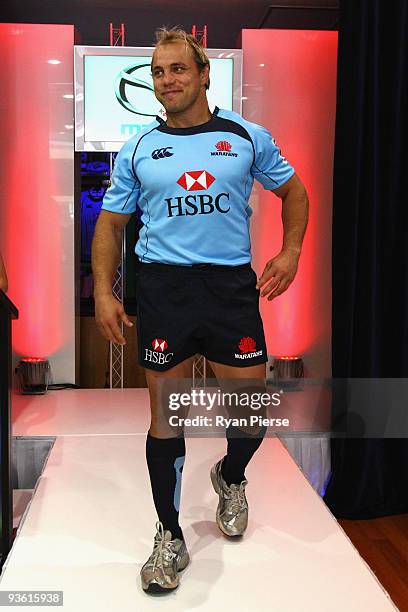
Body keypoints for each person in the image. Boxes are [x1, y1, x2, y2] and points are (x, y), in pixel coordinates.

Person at [92, 27, 308, 594]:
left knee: (250, 415)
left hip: (230, 290)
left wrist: (289, 250)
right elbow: (111, 224)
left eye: (177, 70)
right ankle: (169, 536)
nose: (167, 81)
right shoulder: (139, 148)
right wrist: (105, 292)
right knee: (168, 418)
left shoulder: (245, 136)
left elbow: (295, 192)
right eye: (158, 72)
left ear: (204, 74)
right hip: (164, 291)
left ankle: (230, 476)